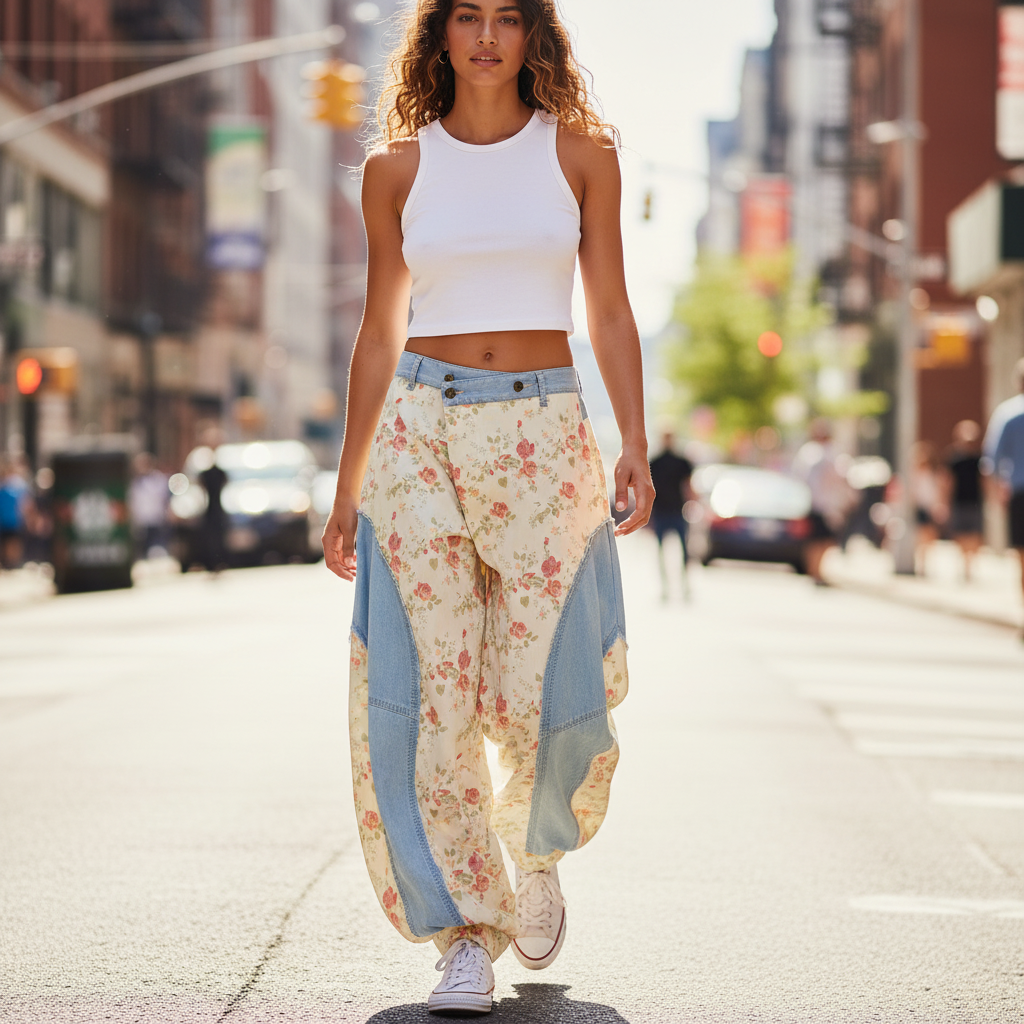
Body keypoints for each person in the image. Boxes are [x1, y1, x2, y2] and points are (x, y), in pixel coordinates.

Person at [320, 1, 653, 1015]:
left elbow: (607, 309)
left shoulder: (582, 155)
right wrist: (347, 484)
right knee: (432, 689)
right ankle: (465, 927)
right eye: (465, 15)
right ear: (439, 37)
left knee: (545, 679)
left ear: (532, 37)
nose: (486, 34)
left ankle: (536, 850)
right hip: (420, 431)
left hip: (546, 432)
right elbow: (379, 331)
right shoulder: (396, 170)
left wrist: (634, 441)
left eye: (508, 16)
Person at [983, 357, 1024, 633]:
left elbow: (990, 464)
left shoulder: (1008, 414)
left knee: (1021, 557)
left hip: (1020, 495)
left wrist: (994, 499)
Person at [793, 419, 855, 585]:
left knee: (827, 540)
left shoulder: (833, 451)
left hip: (830, 505)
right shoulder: (810, 452)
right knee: (816, 540)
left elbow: (842, 476)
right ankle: (814, 572)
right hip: (817, 504)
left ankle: (817, 571)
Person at [648, 430, 694, 599]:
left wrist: (691, 505)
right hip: (662, 511)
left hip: (676, 511)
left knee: (683, 551)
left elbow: (688, 486)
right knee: (662, 551)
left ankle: (684, 585)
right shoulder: (655, 462)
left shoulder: (681, 462)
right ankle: (666, 587)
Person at [944, 420, 983, 582]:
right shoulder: (954, 459)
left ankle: (970, 564)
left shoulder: (979, 459)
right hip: (958, 500)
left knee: (975, 534)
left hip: (975, 501)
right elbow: (947, 481)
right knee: (960, 534)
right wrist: (944, 502)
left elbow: (983, 480)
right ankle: (964, 564)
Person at [909, 441, 946, 575]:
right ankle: (921, 564)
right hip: (920, 508)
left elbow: (939, 491)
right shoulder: (914, 474)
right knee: (922, 536)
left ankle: (926, 563)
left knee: (931, 537)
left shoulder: (935, 473)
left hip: (932, 508)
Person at [129, 453, 170, 560]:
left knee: (157, 551)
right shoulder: (133, 482)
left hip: (156, 519)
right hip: (140, 522)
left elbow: (165, 498)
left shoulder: (158, 479)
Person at [198, 456, 228, 574]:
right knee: (218, 537)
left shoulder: (207, 474)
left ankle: (213, 563)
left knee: (212, 538)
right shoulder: (220, 474)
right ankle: (219, 562)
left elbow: (201, 484)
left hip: (211, 509)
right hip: (216, 508)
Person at [0, 455, 30, 570]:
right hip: (10, 520)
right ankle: (10, 563)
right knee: (11, 543)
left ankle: (11, 563)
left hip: (11, 520)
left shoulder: (15, 487)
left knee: (12, 542)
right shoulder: (12, 487)